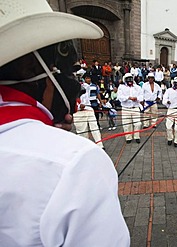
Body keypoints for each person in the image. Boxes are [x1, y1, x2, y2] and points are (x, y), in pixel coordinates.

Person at [0, 0, 130, 246]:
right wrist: (51, 144)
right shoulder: (76, 163)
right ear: (31, 68)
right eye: (68, 71)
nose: (76, 85)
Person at [73, 79, 105, 149]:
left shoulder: (86, 86)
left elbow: (87, 93)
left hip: (88, 108)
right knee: (82, 131)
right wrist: (78, 106)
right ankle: (86, 147)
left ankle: (100, 145)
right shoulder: (69, 88)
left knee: (95, 127)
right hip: (77, 112)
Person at [117, 72, 143, 143]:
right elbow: (120, 97)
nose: (129, 81)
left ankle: (137, 136)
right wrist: (128, 98)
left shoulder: (137, 87)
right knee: (126, 124)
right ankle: (128, 137)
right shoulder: (121, 87)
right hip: (126, 108)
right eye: (128, 79)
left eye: (131, 79)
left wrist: (136, 98)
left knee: (138, 123)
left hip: (135, 108)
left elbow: (141, 96)